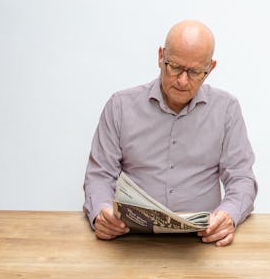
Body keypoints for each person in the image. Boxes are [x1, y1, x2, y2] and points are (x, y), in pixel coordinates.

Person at [83, 20, 257, 247]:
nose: (182, 81)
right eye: (174, 66)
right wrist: (101, 212)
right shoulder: (120, 106)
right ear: (160, 57)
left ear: (210, 68)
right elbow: (99, 175)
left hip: (202, 242)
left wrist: (228, 215)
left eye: (195, 72)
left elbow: (241, 177)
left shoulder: (226, 109)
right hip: (130, 241)